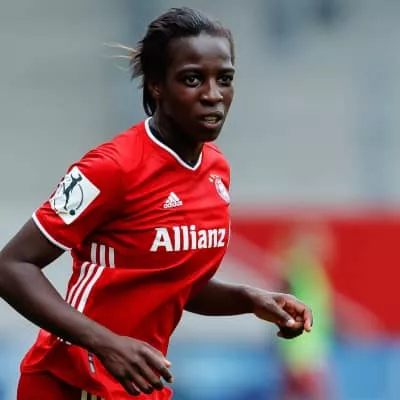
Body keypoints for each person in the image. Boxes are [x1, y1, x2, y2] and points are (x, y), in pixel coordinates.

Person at [0, 7, 313, 400]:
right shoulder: (112, 168)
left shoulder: (216, 171)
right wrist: (107, 343)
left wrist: (250, 299)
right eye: (192, 79)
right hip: (73, 381)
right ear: (156, 86)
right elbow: (11, 266)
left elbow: (174, 282)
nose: (213, 95)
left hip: (138, 383)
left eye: (225, 78)